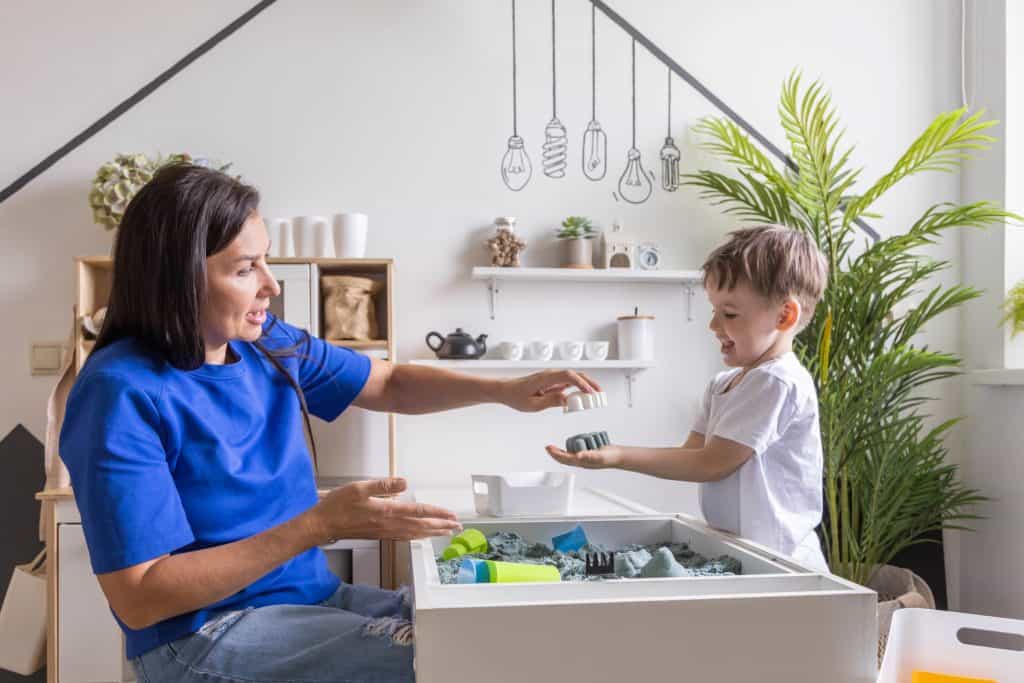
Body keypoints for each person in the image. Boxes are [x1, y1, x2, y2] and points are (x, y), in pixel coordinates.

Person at [59, 162, 600, 683]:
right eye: (245, 269)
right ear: (175, 280)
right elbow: (141, 594)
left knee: (486, 627)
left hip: (307, 599)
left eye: (265, 261)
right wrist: (321, 523)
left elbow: (387, 383)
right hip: (202, 635)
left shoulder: (268, 344)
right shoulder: (120, 390)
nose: (270, 285)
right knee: (464, 658)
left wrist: (505, 390)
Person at [547, 225, 830, 572]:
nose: (713, 325)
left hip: (782, 560)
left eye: (729, 314)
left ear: (784, 316)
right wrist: (611, 453)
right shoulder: (724, 383)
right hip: (742, 550)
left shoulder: (776, 382)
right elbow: (690, 456)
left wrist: (618, 456)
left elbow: (711, 464)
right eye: (714, 310)